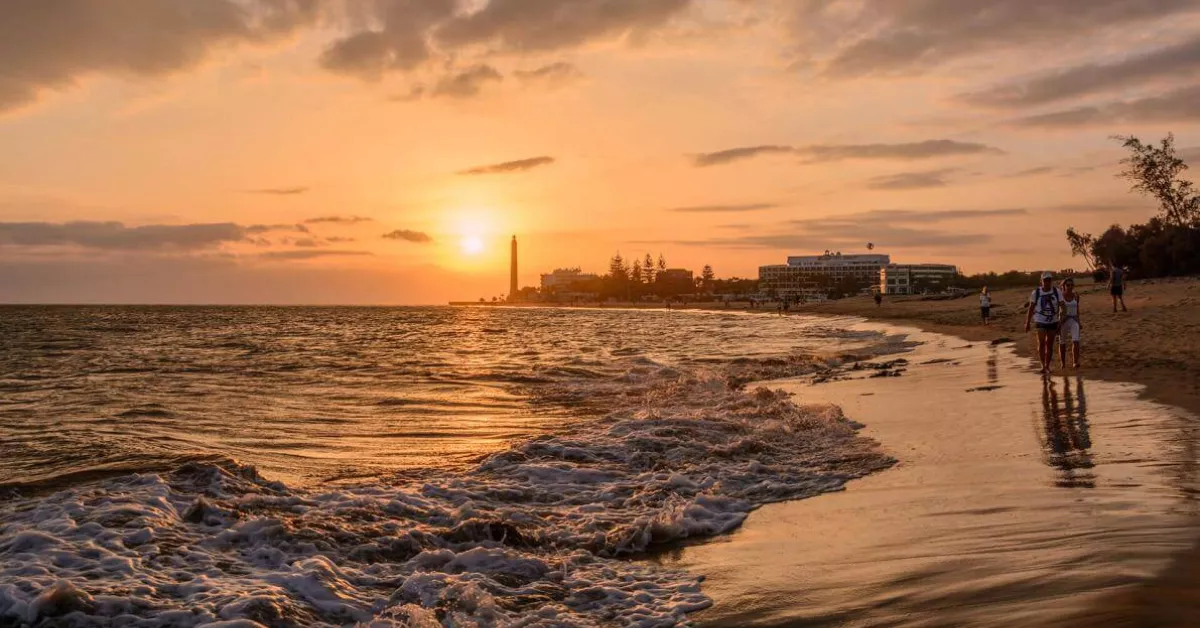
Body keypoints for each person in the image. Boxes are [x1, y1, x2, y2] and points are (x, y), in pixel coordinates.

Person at [1024, 271, 1065, 374]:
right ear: (1041, 281)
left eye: (1049, 280)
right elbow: (1031, 308)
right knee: (1041, 343)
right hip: (1040, 321)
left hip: (1053, 321)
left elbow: (1062, 306)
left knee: (1050, 344)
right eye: (1045, 280)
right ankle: (1043, 365)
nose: (1047, 282)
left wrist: (1061, 319)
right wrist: (1027, 322)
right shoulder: (1036, 293)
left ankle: (1047, 365)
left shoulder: (1057, 291)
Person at [1058, 278, 1082, 370]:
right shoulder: (1060, 296)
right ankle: (1063, 363)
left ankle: (1075, 361)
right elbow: (1057, 310)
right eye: (1068, 285)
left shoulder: (1076, 295)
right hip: (1063, 321)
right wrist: (1058, 322)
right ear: (1063, 286)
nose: (1070, 287)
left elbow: (1077, 308)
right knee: (1062, 342)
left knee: (1076, 341)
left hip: (1074, 319)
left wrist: (1079, 322)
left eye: (1072, 285)